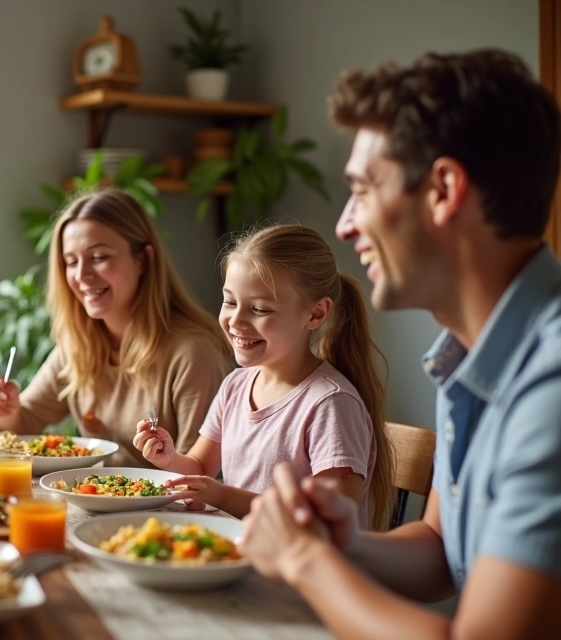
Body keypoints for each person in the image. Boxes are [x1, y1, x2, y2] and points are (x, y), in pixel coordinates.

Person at [242, 49, 561, 638]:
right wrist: (343, 543)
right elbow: (442, 549)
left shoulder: (552, 383)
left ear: (443, 189)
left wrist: (303, 559)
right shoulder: (465, 354)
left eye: (363, 190)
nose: (344, 224)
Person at [134, 225, 393, 528]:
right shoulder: (236, 385)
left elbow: (331, 519)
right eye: (230, 302)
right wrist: (170, 460)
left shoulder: (331, 404)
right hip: (240, 553)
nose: (236, 320)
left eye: (259, 308)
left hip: (303, 571)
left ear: (316, 314)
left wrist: (225, 497)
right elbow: (201, 466)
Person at [0, 188, 233, 467]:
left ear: (142, 261)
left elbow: (200, 476)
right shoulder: (80, 344)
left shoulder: (193, 353)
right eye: (71, 262)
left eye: (99, 257)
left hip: (164, 510)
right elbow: (23, 425)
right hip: (96, 504)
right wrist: (7, 409)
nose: (81, 275)